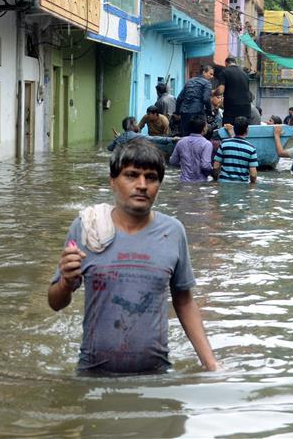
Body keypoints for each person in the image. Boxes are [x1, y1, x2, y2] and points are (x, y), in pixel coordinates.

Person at [48, 139, 218, 375]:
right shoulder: (88, 229)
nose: (142, 185)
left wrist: (211, 365)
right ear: (112, 181)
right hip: (94, 375)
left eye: (151, 177)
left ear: (159, 184)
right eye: (131, 175)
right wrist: (66, 282)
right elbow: (55, 303)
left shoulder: (173, 231)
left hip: (156, 376)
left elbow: (184, 301)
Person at [213, 117, 258, 184]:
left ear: (234, 129)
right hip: (242, 185)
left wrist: (215, 180)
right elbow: (253, 175)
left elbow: (216, 167)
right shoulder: (251, 149)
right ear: (247, 130)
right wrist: (252, 185)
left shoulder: (224, 144)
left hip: (223, 183)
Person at [169, 116, 214, 182]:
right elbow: (205, 166)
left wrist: (185, 164)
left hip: (183, 182)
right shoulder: (207, 144)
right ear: (204, 129)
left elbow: (173, 161)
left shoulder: (181, 141)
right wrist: (213, 171)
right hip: (201, 183)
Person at [175, 65, 214, 136]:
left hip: (184, 112)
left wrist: (177, 112)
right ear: (204, 72)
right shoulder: (207, 83)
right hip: (197, 112)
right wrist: (209, 112)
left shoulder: (189, 81)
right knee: (200, 134)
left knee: (185, 135)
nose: (212, 76)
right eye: (210, 74)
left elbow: (179, 98)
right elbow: (206, 99)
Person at [217, 56, 251, 124]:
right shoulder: (245, 74)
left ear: (226, 63)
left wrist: (213, 93)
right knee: (242, 129)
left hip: (231, 110)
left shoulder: (224, 72)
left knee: (229, 129)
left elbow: (220, 91)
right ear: (235, 63)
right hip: (246, 109)